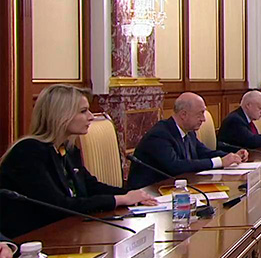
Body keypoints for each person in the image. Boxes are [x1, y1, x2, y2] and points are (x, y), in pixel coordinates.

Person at [0, 85, 156, 238]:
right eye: (83, 111)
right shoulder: (28, 152)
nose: (91, 116)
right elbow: (58, 206)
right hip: (30, 242)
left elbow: (91, 186)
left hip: (66, 232)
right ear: (60, 115)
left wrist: (132, 195)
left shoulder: (67, 149)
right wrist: (120, 199)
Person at [128, 93, 246, 190]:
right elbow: (175, 166)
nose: (203, 119)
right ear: (183, 114)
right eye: (200, 114)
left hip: (174, 189)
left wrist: (232, 156)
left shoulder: (189, 132)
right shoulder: (160, 134)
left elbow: (204, 152)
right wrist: (220, 162)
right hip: (149, 193)